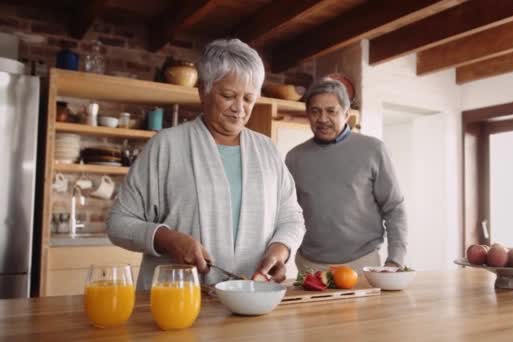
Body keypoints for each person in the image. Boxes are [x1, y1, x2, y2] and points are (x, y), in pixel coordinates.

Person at [107, 39, 305, 289]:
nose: (239, 109)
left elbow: (292, 217)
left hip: (254, 301)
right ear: (203, 91)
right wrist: (168, 239)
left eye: (248, 98)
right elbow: (119, 222)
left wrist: (280, 250)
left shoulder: (268, 150)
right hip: (177, 299)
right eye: (228, 96)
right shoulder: (166, 146)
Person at [285, 79, 407, 274]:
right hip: (309, 266)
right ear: (308, 114)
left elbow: (394, 208)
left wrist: (395, 260)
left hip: (362, 263)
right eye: (315, 111)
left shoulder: (373, 150)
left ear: (346, 113)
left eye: (331, 111)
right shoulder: (294, 157)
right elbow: (287, 214)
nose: (322, 119)